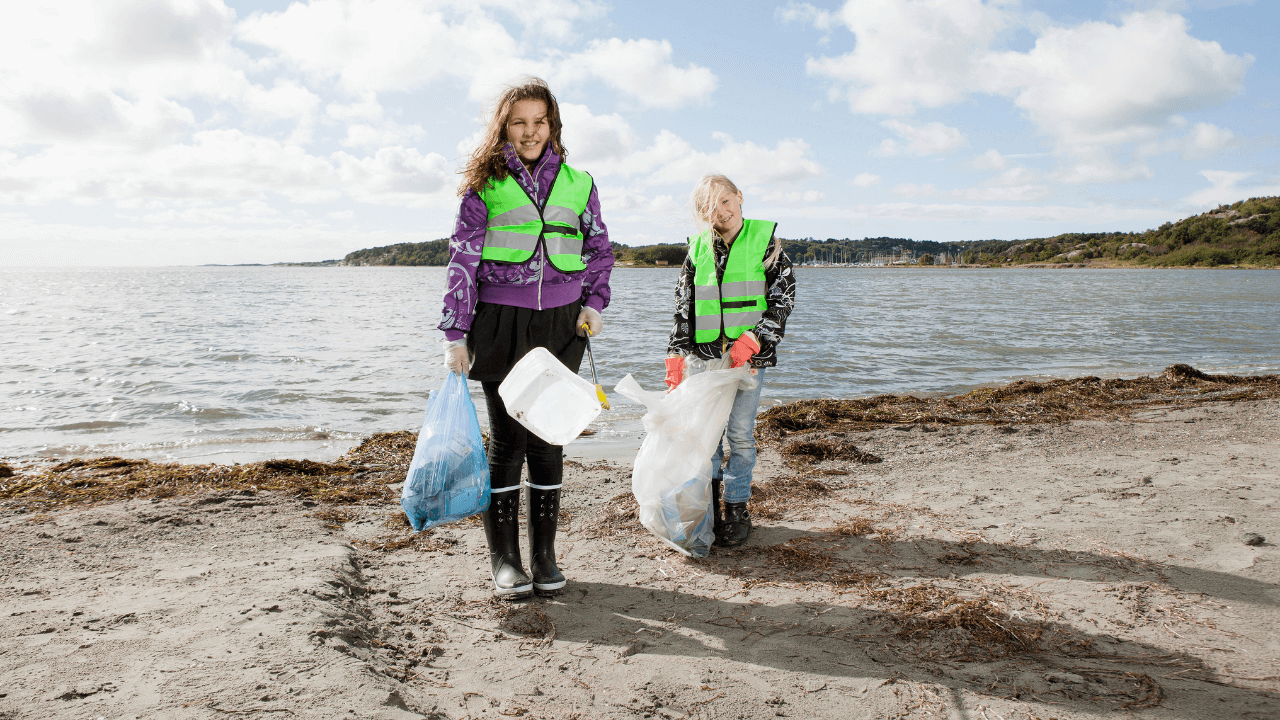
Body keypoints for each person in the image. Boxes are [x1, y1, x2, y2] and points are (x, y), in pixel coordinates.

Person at [439, 77, 613, 600]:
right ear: (504, 128)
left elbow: (600, 250)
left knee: (549, 438)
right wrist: (455, 333)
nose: (530, 131)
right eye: (519, 122)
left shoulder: (581, 183)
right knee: (508, 440)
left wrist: (595, 303)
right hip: (500, 322)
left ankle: (544, 556)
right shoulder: (482, 186)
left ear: (552, 125)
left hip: (561, 325)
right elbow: (462, 262)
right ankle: (505, 562)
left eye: (539, 122)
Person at [664, 174, 795, 547]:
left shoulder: (765, 242)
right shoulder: (697, 249)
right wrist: (675, 356)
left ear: (739, 197)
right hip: (704, 359)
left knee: (739, 436)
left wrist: (754, 339)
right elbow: (683, 308)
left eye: (725, 201)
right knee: (706, 439)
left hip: (747, 359)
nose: (721, 213)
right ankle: (707, 513)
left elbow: (783, 298)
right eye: (710, 209)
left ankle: (736, 510)